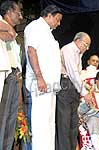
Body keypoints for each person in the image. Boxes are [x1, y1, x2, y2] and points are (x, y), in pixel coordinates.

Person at [24, 5, 62, 150]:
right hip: (41, 83)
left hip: (51, 85)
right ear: (49, 15)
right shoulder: (36, 27)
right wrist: (39, 78)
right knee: (41, 122)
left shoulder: (48, 32)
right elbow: (31, 51)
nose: (58, 24)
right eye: (57, 20)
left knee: (49, 122)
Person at [56, 32, 93, 150]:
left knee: (73, 125)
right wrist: (85, 93)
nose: (86, 49)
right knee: (64, 124)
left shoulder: (78, 54)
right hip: (66, 86)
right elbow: (73, 73)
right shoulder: (68, 49)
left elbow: (78, 74)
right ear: (77, 40)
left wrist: (85, 87)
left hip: (74, 89)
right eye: (85, 45)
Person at [0, 1, 23, 149]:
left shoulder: (11, 32)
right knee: (2, 117)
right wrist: (9, 29)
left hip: (15, 75)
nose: (20, 16)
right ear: (8, 11)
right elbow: (9, 35)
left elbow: (11, 36)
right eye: (18, 12)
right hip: (5, 74)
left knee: (11, 118)